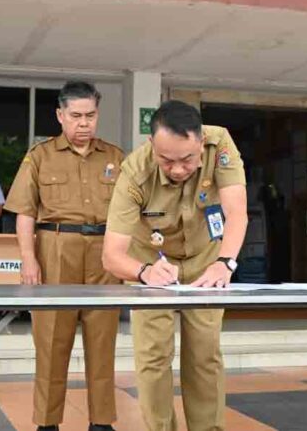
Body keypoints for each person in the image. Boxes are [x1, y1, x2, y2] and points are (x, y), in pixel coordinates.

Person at [102, 100, 249, 431]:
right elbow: (111, 255)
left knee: (204, 354)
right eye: (167, 161)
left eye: (188, 159)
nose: (179, 169)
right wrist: (144, 272)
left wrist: (225, 262)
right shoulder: (134, 172)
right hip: (151, 263)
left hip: (206, 260)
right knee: (153, 356)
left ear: (200, 142)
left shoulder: (219, 142)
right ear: (152, 145)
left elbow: (236, 211)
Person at [4, 81, 123, 431]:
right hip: (55, 249)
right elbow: (24, 212)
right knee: (52, 341)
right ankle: (47, 422)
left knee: (103, 340)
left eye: (90, 116)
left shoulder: (116, 157)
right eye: (76, 116)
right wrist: (29, 259)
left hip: (103, 253)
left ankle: (101, 422)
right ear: (60, 115)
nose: (83, 123)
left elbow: (132, 212)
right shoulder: (40, 156)